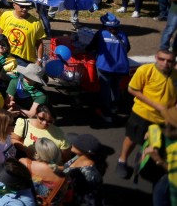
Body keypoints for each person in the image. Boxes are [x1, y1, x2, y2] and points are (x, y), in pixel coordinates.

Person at [117, 48, 177, 178]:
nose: (165, 63)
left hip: (163, 118)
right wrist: (156, 105)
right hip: (142, 114)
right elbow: (132, 89)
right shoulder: (145, 70)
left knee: (156, 143)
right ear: (156, 57)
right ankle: (122, 160)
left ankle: (144, 161)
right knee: (132, 138)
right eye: (162, 59)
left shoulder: (175, 76)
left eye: (169, 61)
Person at [87, 12, 130, 123]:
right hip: (121, 67)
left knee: (105, 89)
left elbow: (90, 47)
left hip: (105, 66)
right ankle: (114, 107)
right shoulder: (123, 34)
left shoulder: (101, 33)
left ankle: (107, 114)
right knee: (115, 87)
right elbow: (127, 48)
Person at [0, 0, 45, 66]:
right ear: (14, 5)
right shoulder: (6, 15)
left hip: (24, 60)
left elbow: (39, 43)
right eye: (22, 6)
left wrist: (39, 60)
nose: (25, 9)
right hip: (5, 55)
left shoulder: (36, 22)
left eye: (27, 7)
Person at [62, 132, 109, 206]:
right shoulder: (77, 156)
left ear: (85, 151)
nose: (72, 144)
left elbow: (91, 199)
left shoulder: (91, 175)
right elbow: (67, 168)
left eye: (76, 144)